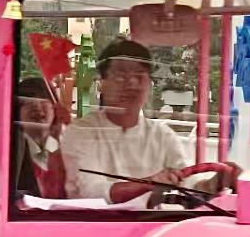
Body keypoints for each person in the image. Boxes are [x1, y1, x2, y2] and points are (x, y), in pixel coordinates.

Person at [62, 38, 236, 202]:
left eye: (139, 76)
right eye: (121, 76)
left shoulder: (162, 136)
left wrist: (216, 182)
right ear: (102, 83)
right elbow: (90, 192)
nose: (132, 84)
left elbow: (189, 186)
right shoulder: (81, 132)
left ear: (149, 85)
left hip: (154, 222)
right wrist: (149, 183)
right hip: (95, 222)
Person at [12, 77, 68, 199]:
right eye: (27, 102)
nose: (36, 107)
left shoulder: (68, 147)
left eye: (43, 100)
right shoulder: (11, 153)